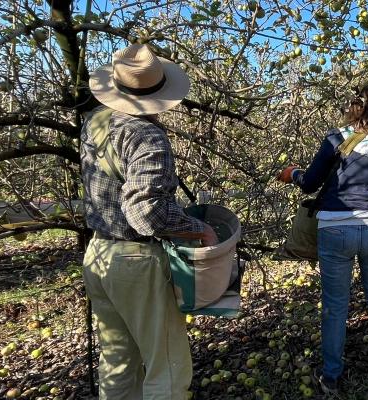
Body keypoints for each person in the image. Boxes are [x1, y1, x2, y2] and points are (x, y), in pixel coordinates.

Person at [81, 44, 218, 399]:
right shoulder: (146, 136)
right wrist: (197, 228)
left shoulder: (94, 122)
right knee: (167, 368)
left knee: (118, 359)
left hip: (98, 254)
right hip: (135, 262)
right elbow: (145, 212)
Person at [277, 86, 368, 394]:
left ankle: (332, 374)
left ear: (352, 109)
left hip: (335, 228)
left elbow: (310, 183)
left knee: (336, 304)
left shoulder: (334, 139)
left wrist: (293, 174)